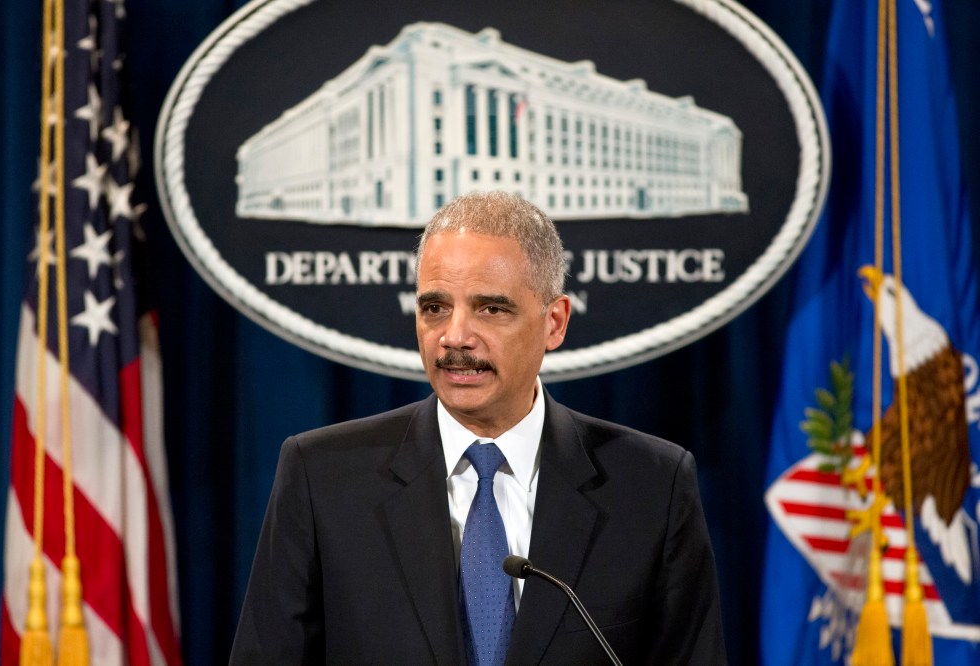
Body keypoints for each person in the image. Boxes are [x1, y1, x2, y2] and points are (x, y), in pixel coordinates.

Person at [230, 191, 725, 664]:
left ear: (554, 322)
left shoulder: (651, 486)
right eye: (434, 308)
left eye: (491, 308)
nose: (455, 337)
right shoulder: (324, 477)